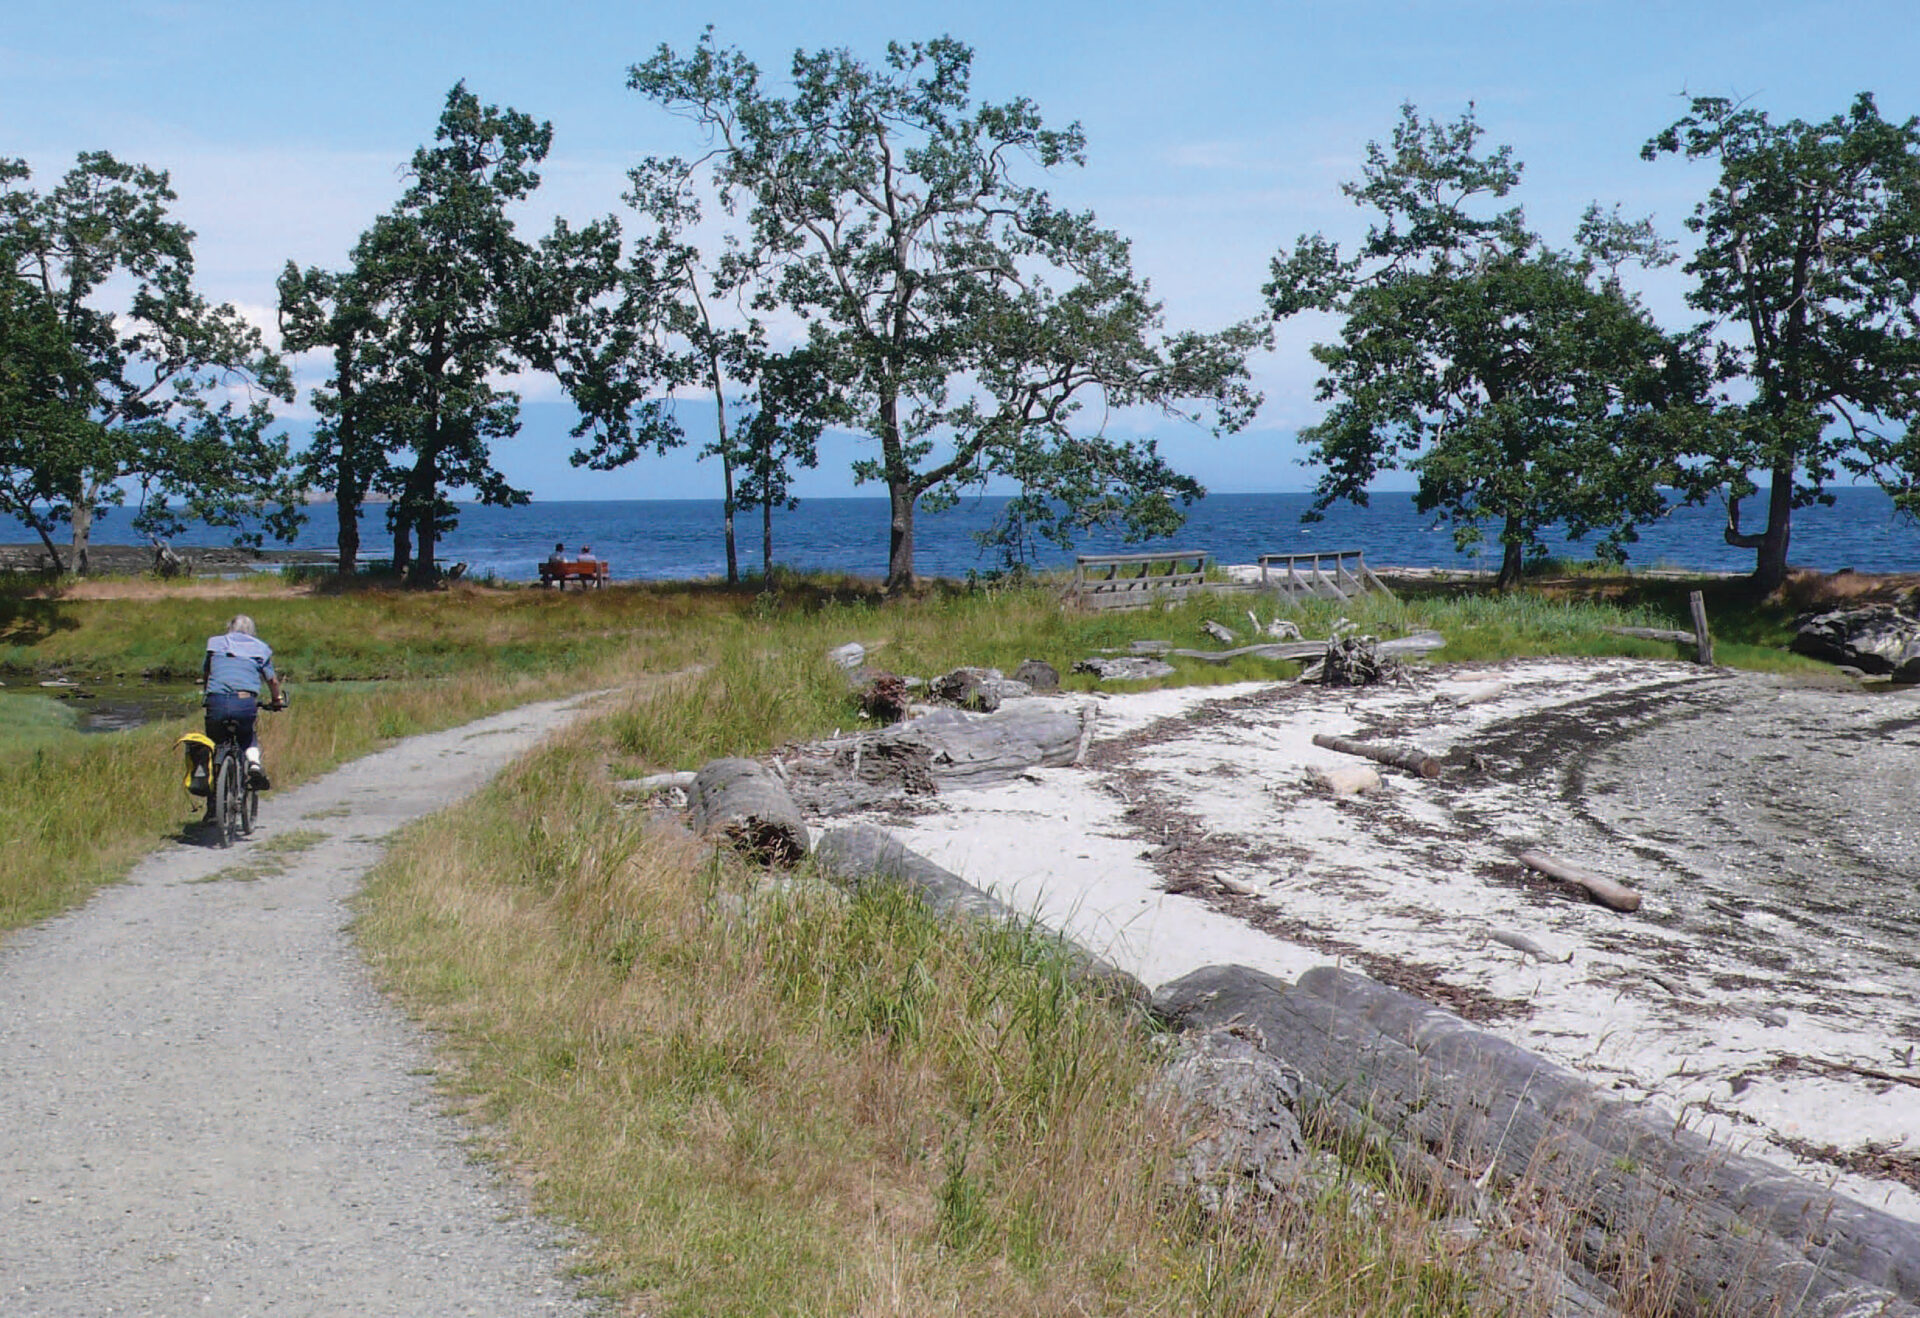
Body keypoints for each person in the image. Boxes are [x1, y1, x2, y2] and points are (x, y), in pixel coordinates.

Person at [202, 614, 285, 792]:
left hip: (215, 700)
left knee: (214, 742)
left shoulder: (215, 643)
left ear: (229, 628)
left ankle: (213, 795)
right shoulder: (261, 648)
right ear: (252, 631)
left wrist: (206, 694)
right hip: (244, 702)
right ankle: (254, 764)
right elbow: (273, 682)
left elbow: (207, 673)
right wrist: (277, 700)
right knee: (247, 736)